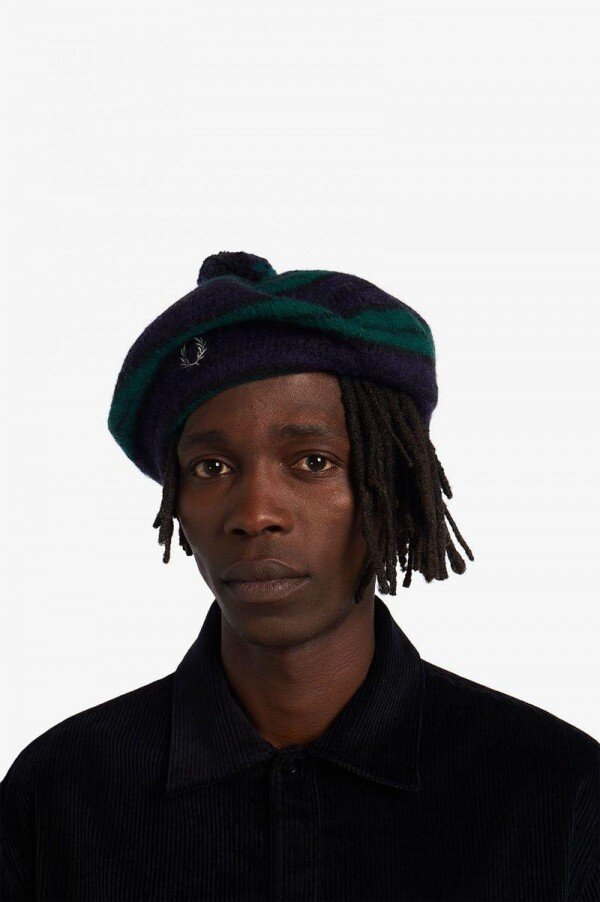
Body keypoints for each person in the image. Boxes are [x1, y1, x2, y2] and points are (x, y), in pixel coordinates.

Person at [1, 251, 597, 901]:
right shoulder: (60, 793)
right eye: (210, 468)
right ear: (176, 501)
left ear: (394, 484)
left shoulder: (556, 791)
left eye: (313, 461)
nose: (255, 514)